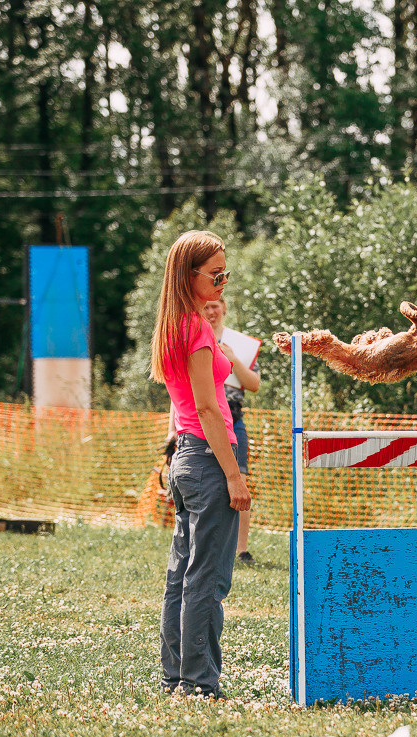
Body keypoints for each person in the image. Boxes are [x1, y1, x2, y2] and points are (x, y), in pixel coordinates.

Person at [149, 230, 251, 700]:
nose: (223, 282)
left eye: (225, 273)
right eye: (216, 275)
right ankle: (199, 683)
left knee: (182, 576)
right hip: (208, 460)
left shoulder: (173, 326)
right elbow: (208, 409)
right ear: (189, 276)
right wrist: (234, 474)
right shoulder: (195, 328)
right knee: (207, 579)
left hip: (186, 458)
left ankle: (176, 677)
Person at [201, 296, 261, 563]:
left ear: (224, 307)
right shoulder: (195, 339)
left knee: (240, 481)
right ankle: (208, 548)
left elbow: (254, 384)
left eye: (215, 306)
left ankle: (241, 550)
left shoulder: (241, 344)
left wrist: (233, 359)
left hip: (234, 419)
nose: (211, 311)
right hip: (202, 419)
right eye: (206, 307)